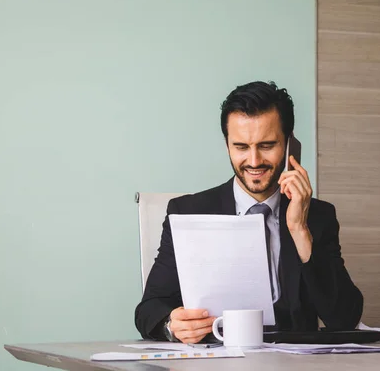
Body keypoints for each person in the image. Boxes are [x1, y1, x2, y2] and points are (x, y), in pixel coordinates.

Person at [134, 81, 363, 343]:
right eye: (241, 147)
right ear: (227, 144)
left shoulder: (318, 216)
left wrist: (300, 230)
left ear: (289, 145)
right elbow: (148, 310)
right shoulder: (187, 212)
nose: (254, 162)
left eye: (267, 145)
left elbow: (345, 317)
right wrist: (170, 325)